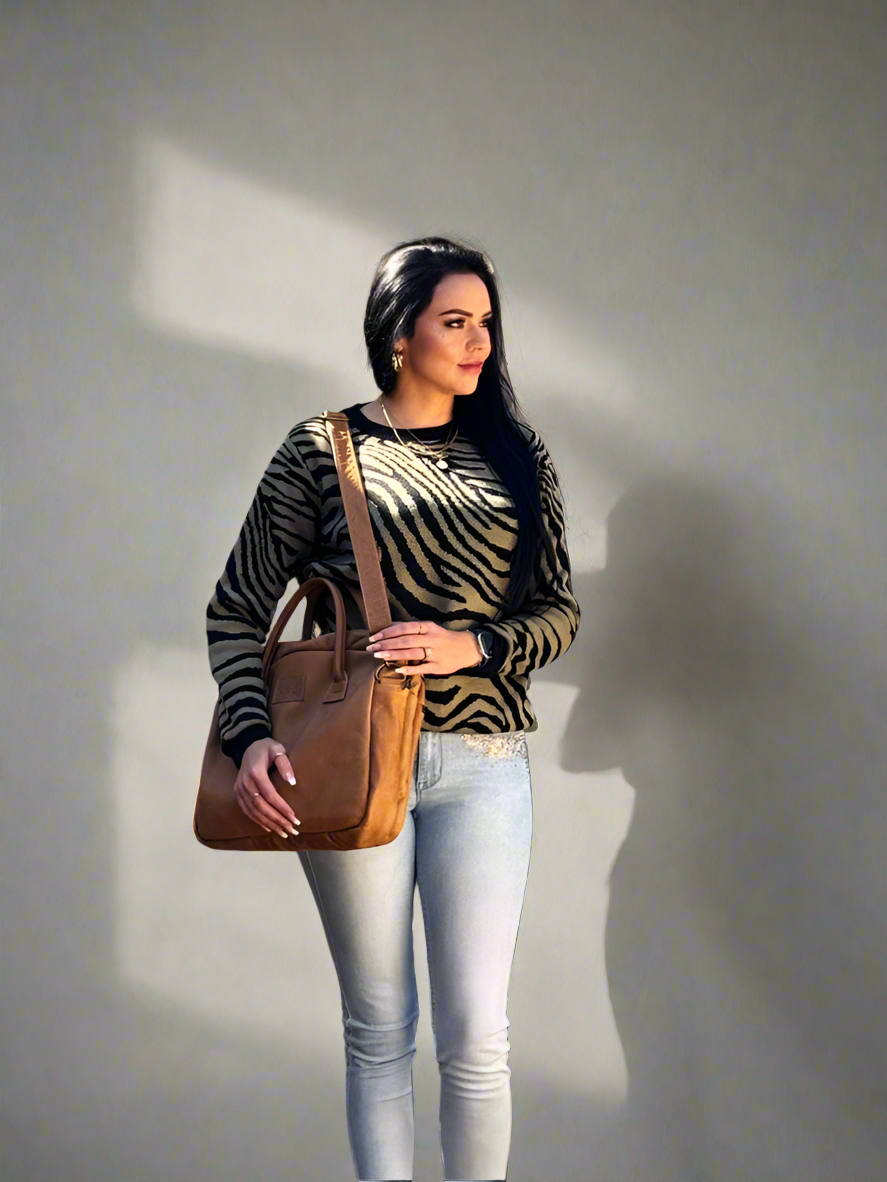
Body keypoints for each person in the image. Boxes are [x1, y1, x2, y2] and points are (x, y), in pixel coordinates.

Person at [206, 235, 580, 1182]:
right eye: (455, 322)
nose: (479, 342)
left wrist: (474, 645)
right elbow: (238, 609)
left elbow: (557, 611)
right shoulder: (320, 450)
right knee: (377, 1029)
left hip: (484, 764)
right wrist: (250, 736)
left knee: (476, 1037)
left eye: (486, 322)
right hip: (349, 762)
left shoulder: (517, 455)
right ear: (398, 334)